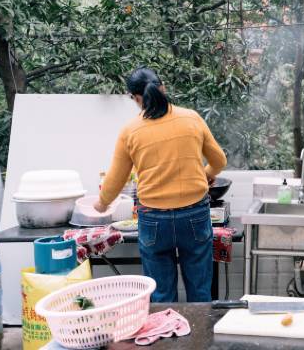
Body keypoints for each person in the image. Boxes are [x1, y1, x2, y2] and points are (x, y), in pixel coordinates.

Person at [95, 68, 227, 302]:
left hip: (154, 220)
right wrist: (205, 175)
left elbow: (115, 180)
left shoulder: (130, 131)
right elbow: (219, 161)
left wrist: (102, 204)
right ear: (163, 87)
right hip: (194, 215)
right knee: (200, 292)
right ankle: (200, 327)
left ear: (135, 98)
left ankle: (166, 326)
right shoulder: (191, 118)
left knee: (162, 296)